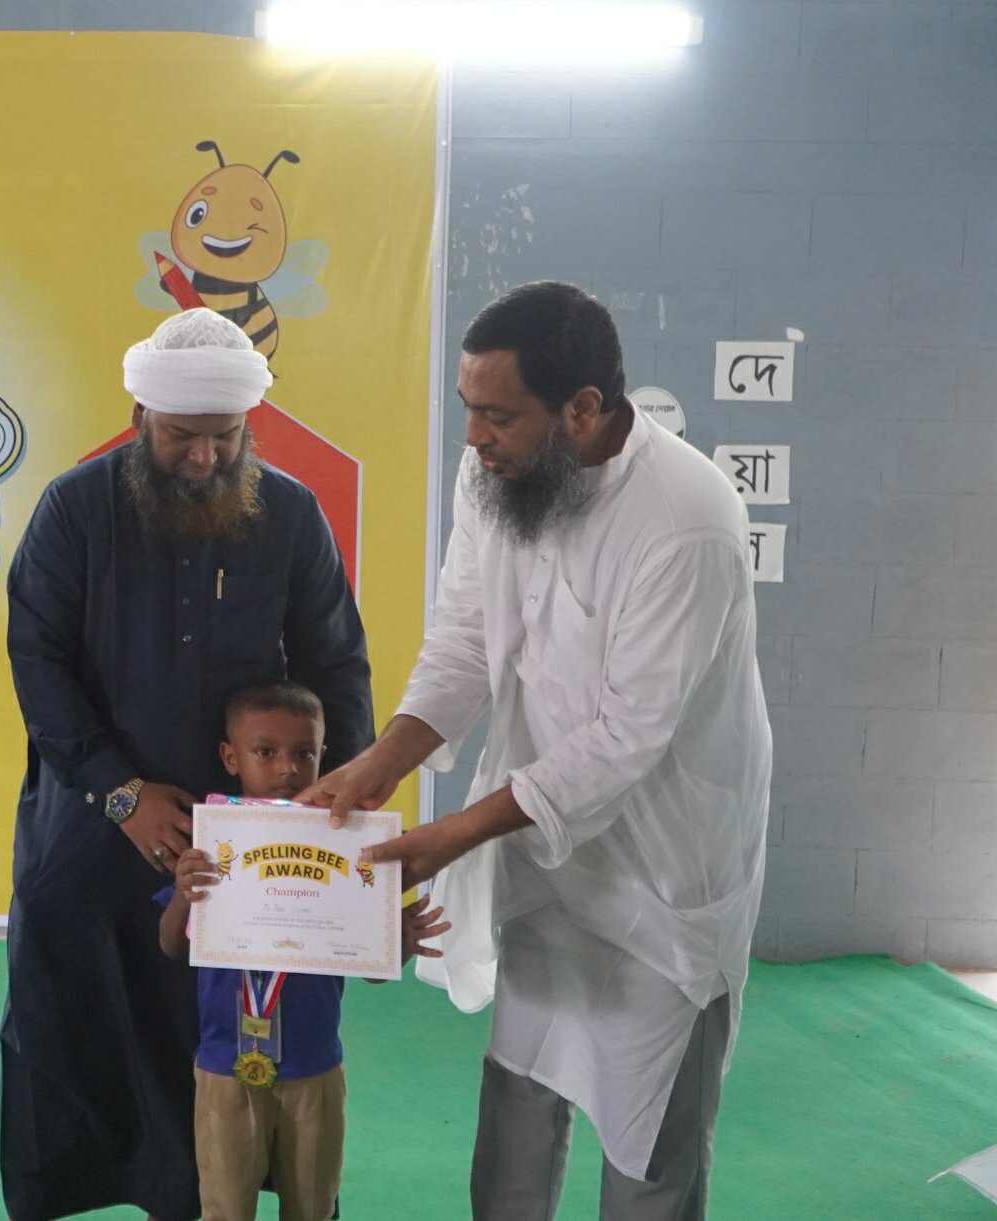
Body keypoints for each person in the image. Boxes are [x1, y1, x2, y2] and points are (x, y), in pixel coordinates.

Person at [308, 281, 773, 1221]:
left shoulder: (687, 519)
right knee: (518, 1107)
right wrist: (379, 764)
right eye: (467, 410)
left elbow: (625, 736)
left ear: (583, 410)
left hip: (664, 881)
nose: (474, 437)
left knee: (649, 1152)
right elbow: (464, 640)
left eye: (498, 416)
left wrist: (452, 836)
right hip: (542, 855)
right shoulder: (495, 475)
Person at [2, 309, 376, 1220]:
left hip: (241, 847)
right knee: (69, 1024)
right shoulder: (74, 509)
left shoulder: (289, 513)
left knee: (218, 1044)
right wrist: (122, 793)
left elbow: (335, 664)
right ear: (139, 418)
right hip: (91, 822)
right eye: (182, 436)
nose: (204, 457)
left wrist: (344, 807)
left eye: (225, 437)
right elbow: (37, 660)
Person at [158, 680, 448, 1221]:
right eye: (266, 752)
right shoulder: (214, 843)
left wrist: (397, 942)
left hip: (314, 1066)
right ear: (231, 757)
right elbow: (172, 945)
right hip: (224, 1067)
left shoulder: (348, 845)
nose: (287, 768)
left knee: (313, 1203)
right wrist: (182, 894)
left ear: (323, 755)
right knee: (224, 1206)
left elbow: (373, 972)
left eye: (304, 753)